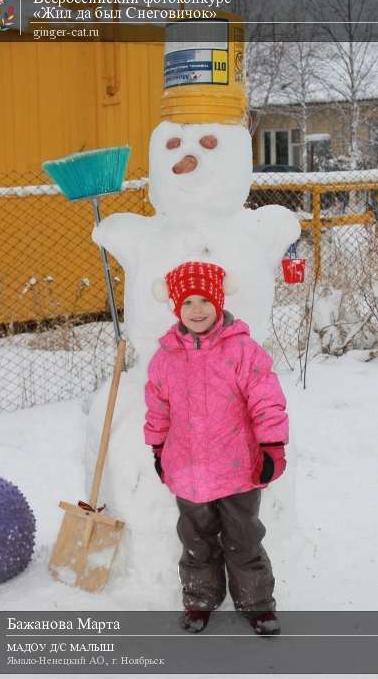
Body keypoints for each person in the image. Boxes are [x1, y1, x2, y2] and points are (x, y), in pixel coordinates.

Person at [144, 261, 288, 635]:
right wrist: (159, 449)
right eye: (187, 302)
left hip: (238, 468)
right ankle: (199, 599)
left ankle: (256, 603)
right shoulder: (165, 359)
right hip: (187, 472)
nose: (196, 310)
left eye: (204, 300)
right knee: (196, 541)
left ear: (219, 301)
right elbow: (158, 409)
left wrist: (271, 446)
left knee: (244, 539)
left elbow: (266, 399)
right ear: (176, 307)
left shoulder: (243, 350)